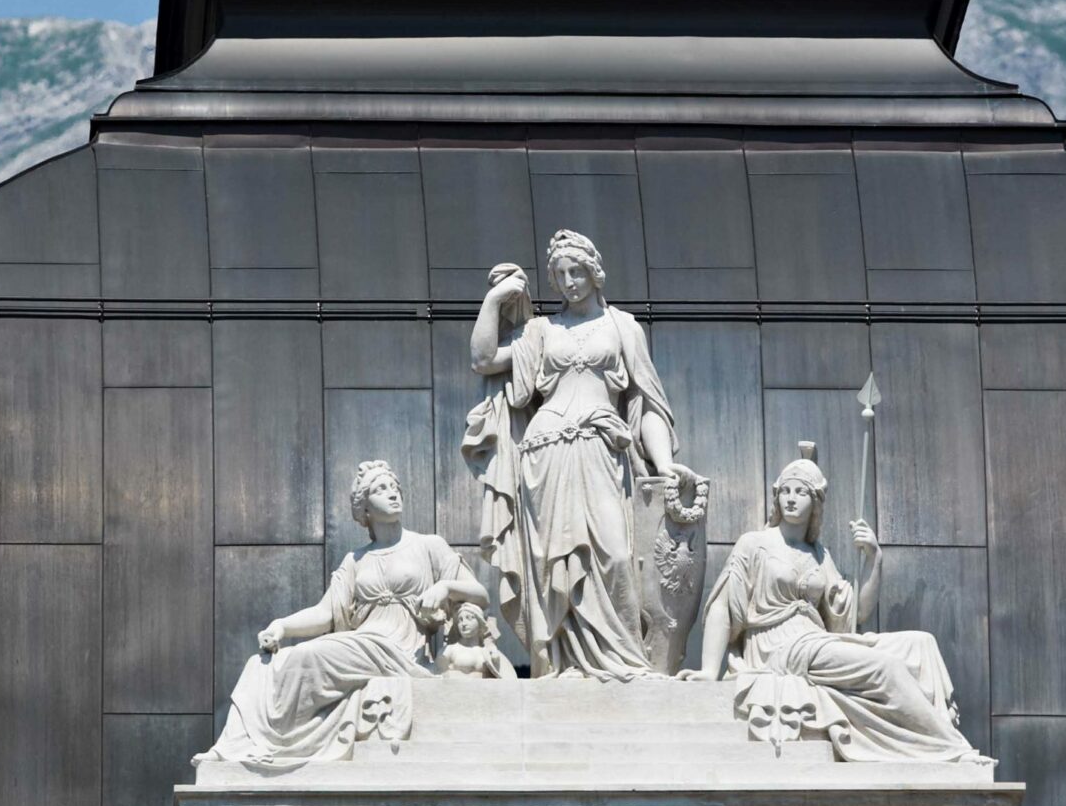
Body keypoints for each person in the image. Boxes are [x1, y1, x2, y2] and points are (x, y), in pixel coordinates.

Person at [465, 230, 702, 678]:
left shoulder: (622, 327)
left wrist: (664, 465)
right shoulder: (541, 330)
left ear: (594, 273)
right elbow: (483, 359)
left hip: (599, 451)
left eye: (577, 271)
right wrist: (495, 300)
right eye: (560, 274)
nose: (570, 281)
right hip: (545, 454)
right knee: (548, 564)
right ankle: (558, 664)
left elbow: (647, 401)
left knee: (613, 555)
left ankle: (624, 661)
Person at [686, 450, 978, 761]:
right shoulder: (755, 543)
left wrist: (874, 560)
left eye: (800, 491)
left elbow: (855, 616)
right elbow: (722, 608)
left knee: (922, 644)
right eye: (785, 490)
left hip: (817, 641)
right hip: (781, 647)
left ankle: (938, 739)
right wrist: (708, 670)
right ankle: (948, 748)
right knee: (885, 667)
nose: (791, 498)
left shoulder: (820, 555)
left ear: (815, 502)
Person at [201, 460, 485, 772]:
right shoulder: (356, 560)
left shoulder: (429, 546)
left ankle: (270, 742)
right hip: (364, 643)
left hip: (402, 652)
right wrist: (281, 626)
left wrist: (445, 586)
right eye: (381, 489)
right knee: (265, 663)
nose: (393, 494)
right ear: (365, 510)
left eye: (394, 487)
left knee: (307, 655)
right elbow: (324, 614)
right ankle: (254, 742)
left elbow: (480, 595)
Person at [432, 599, 516, 680]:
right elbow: (438, 677)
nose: (463, 624)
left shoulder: (486, 652)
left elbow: (506, 677)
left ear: (480, 622)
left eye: (469, 618)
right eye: (460, 620)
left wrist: (494, 654)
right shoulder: (449, 650)